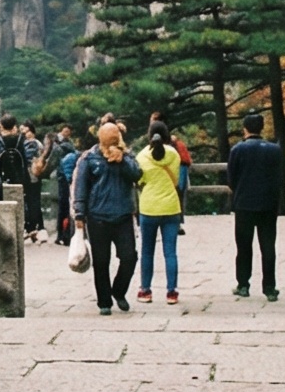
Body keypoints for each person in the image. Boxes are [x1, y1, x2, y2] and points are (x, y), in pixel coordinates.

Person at [72, 122, 142, 315]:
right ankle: (104, 301)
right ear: (101, 138)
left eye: (115, 136)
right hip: (97, 217)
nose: (113, 139)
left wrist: (122, 160)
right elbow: (80, 187)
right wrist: (79, 213)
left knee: (129, 257)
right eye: (110, 136)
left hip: (123, 215)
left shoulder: (127, 155)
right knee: (101, 261)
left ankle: (119, 291)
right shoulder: (89, 158)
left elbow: (137, 174)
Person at [227, 112, 285, 301]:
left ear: (245, 128)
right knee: (268, 246)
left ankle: (243, 284)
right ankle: (269, 287)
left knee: (244, 246)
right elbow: (280, 177)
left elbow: (231, 179)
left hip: (244, 203)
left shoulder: (238, 150)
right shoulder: (275, 150)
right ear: (261, 128)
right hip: (268, 204)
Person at [135, 121, 184, 305]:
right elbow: (177, 180)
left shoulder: (142, 155)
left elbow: (140, 180)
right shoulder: (174, 154)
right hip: (171, 207)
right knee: (170, 252)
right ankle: (172, 292)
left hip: (148, 207)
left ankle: (145, 290)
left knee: (147, 252)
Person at [0, 114, 40, 239]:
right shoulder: (20, 139)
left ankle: (2, 229)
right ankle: (24, 227)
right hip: (18, 175)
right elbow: (24, 160)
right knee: (20, 201)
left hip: (1, 176)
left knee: (1, 202)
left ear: (1, 126)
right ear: (14, 126)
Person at [49, 124, 77, 245]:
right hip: (66, 179)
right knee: (67, 207)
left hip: (61, 178)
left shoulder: (59, 145)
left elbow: (52, 161)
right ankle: (66, 234)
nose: (66, 133)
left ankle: (61, 234)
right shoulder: (66, 146)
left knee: (63, 207)